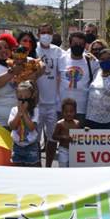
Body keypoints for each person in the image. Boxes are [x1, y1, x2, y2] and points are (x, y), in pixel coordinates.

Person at [36, 23, 63, 167]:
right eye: (43, 32)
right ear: (38, 34)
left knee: (52, 138)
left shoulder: (58, 51)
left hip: (53, 103)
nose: (45, 35)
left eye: (48, 32)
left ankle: (48, 166)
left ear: (52, 35)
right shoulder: (34, 49)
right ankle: (37, 165)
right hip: (36, 104)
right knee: (34, 138)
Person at [58, 32, 98, 123]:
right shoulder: (61, 59)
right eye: (75, 43)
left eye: (81, 44)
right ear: (70, 44)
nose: (78, 46)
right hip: (62, 108)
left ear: (85, 45)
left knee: (79, 132)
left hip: (82, 109)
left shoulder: (91, 61)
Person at [8, 81, 41, 166]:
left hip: (31, 146)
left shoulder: (35, 110)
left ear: (31, 96)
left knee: (31, 167)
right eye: (20, 97)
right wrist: (19, 113)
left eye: (26, 97)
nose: (23, 99)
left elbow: (31, 127)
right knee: (17, 167)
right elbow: (12, 126)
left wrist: (25, 113)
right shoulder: (14, 110)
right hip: (17, 146)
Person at [52, 98, 80, 167]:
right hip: (63, 149)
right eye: (66, 111)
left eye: (71, 111)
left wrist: (86, 131)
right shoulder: (60, 123)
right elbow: (54, 136)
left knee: (72, 167)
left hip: (74, 149)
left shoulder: (77, 123)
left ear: (75, 112)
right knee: (63, 167)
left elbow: (80, 135)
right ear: (62, 112)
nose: (68, 114)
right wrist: (64, 137)